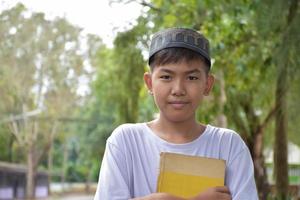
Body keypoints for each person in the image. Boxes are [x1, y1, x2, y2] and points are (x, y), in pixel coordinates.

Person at [94, 27, 258, 200]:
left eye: (192, 78)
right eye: (166, 77)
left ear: (208, 84)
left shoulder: (229, 145)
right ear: (149, 83)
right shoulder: (126, 140)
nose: (178, 89)